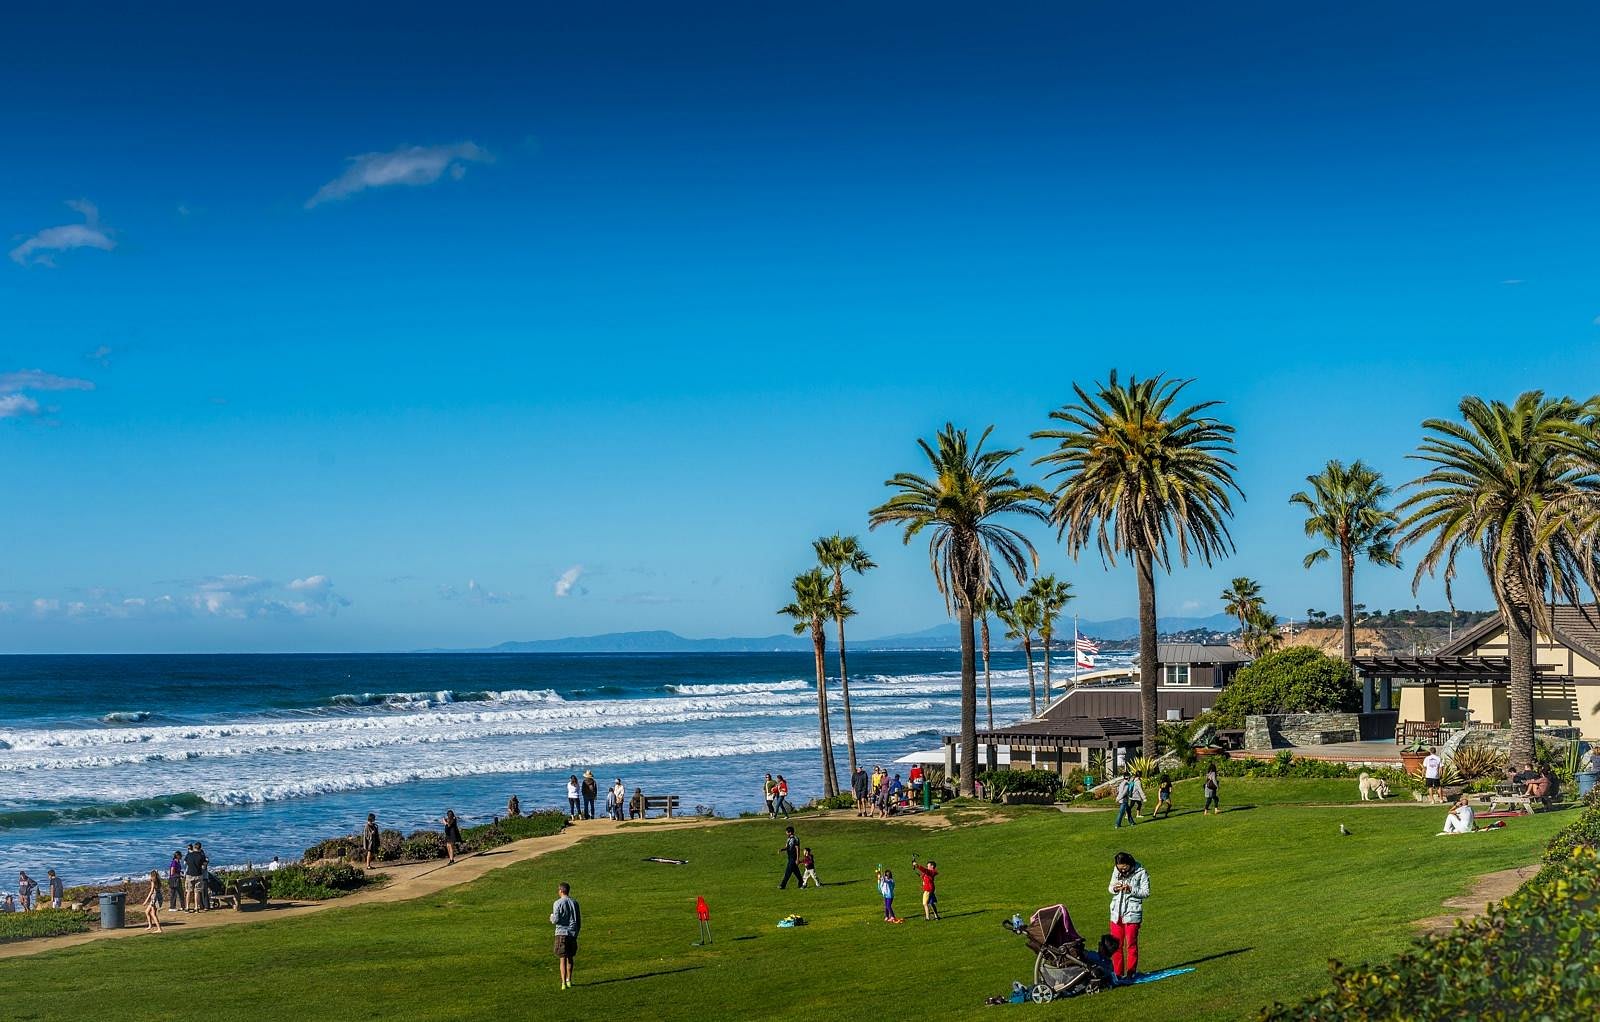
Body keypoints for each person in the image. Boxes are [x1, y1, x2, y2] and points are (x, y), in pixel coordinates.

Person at [1108, 851, 1150, 979]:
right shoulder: (1116, 870)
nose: (1122, 871)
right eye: (1120, 869)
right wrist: (1115, 888)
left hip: (1132, 914)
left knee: (1131, 944)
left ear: (1130, 864)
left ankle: (1131, 973)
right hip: (1116, 914)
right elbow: (1110, 887)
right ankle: (1118, 973)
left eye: (1124, 868)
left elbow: (1146, 892)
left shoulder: (1141, 872)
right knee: (1116, 945)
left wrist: (1131, 889)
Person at [550, 881, 581, 990]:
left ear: (561, 891)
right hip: (572, 933)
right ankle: (569, 980)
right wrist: (576, 932)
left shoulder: (557, 903)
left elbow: (556, 920)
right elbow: (578, 920)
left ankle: (563, 982)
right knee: (570, 958)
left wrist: (551, 917)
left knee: (562, 958)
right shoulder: (575, 903)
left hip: (561, 933)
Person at [182, 842, 207, 912]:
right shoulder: (201, 856)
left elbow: (185, 862)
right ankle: (196, 907)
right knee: (197, 892)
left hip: (189, 874)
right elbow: (204, 866)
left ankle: (187, 907)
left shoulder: (189, 855)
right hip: (198, 875)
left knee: (188, 891)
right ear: (200, 848)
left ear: (194, 847)